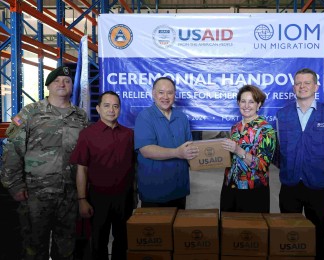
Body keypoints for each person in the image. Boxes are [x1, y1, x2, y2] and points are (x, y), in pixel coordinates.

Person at [0, 66, 88, 259]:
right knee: (33, 248)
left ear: (72, 86)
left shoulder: (81, 117)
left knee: (66, 249)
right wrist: (14, 185)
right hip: (35, 195)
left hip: (69, 195)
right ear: (48, 86)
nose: (62, 84)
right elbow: (12, 150)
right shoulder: (30, 113)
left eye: (67, 80)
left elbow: (85, 157)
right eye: (57, 81)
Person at [276, 68, 324, 260]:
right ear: (293, 86)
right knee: (289, 234)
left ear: (316, 86)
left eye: (307, 83)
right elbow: (281, 147)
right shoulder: (282, 114)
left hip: (318, 185)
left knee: (317, 233)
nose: (302, 87)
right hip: (290, 184)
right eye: (298, 83)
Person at [70, 91, 135, 260]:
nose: (111, 110)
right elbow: (82, 169)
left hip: (124, 198)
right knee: (99, 243)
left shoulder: (128, 134)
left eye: (115, 106)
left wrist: (134, 194)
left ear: (120, 109)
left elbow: (134, 167)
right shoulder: (87, 135)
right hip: (98, 199)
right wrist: (82, 200)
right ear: (98, 109)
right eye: (106, 106)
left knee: (124, 241)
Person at [134, 76, 199, 209]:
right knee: (155, 229)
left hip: (179, 189)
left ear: (175, 94)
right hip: (154, 191)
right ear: (153, 93)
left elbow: (190, 147)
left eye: (170, 93)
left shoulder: (181, 117)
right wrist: (178, 152)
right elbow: (146, 150)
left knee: (178, 228)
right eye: (161, 92)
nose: (165, 97)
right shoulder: (144, 117)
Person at [220, 84, 276, 213]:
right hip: (230, 186)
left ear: (259, 104)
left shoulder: (266, 130)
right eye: (243, 101)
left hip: (253, 190)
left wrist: (238, 150)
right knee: (228, 229)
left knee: (251, 231)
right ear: (238, 103)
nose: (246, 106)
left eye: (251, 102)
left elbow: (262, 165)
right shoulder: (235, 128)